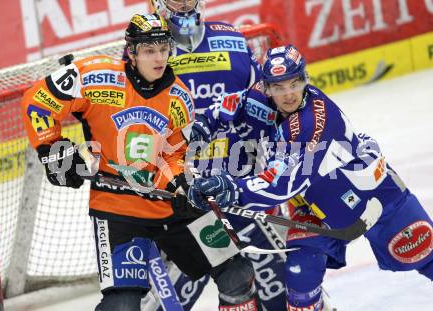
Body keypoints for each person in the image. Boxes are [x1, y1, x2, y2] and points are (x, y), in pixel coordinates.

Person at [21, 13, 262, 311]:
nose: (159, 58)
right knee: (122, 305)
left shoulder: (179, 99)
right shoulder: (95, 76)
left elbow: (173, 156)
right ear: (132, 52)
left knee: (237, 274)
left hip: (169, 207)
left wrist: (183, 184)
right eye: (149, 50)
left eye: (164, 49)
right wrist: (52, 148)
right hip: (117, 208)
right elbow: (38, 99)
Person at [188, 44, 433, 310]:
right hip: (316, 208)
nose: (288, 94)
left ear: (305, 79)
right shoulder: (260, 96)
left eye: (294, 84)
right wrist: (202, 127)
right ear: (266, 87)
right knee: (300, 275)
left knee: (423, 255)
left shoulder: (312, 122)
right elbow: (231, 104)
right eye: (279, 87)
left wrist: (232, 189)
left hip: (373, 199)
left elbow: (282, 183)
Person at [136, 1, 289, 310]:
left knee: (283, 291)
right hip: (184, 200)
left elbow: (266, 110)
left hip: (242, 188)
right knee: (171, 300)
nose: (182, 3)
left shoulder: (232, 40)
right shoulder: (146, 52)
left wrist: (275, 172)